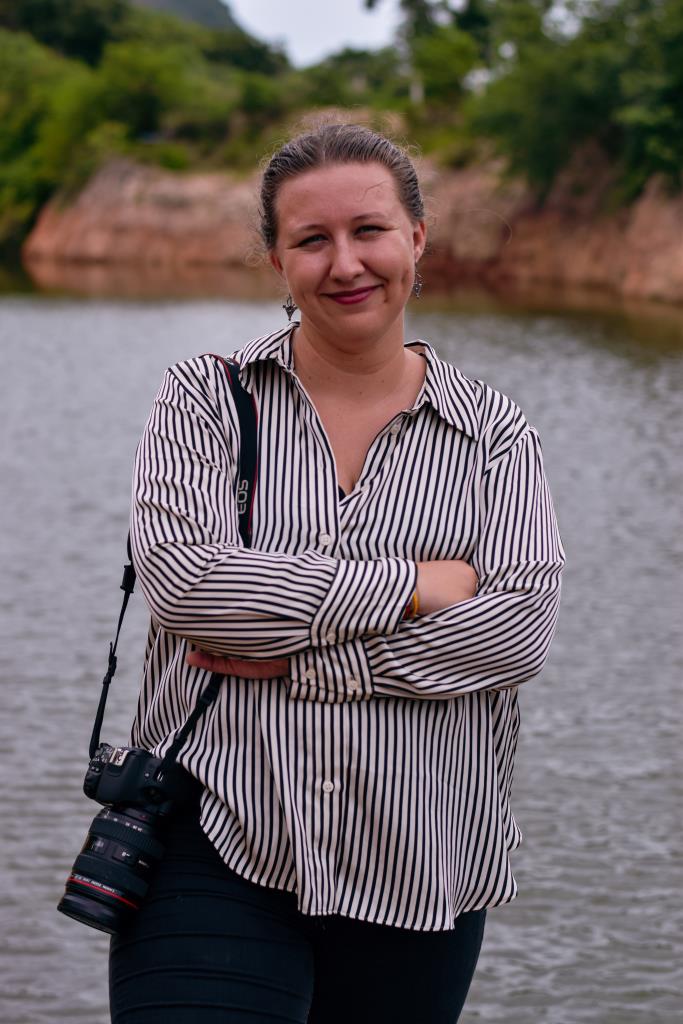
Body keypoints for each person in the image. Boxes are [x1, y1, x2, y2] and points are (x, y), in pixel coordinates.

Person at [110, 123, 565, 1024]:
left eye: (369, 231)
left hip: (420, 856)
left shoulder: (495, 434)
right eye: (311, 240)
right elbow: (188, 584)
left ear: (417, 239)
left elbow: (516, 629)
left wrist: (307, 662)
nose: (345, 263)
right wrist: (415, 586)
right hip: (217, 833)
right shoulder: (207, 395)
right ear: (276, 260)